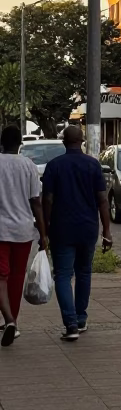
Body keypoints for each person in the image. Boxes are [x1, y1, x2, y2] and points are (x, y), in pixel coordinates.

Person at [42, 125, 112, 341]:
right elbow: (102, 200)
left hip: (61, 229)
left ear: (64, 142)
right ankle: (81, 319)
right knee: (84, 273)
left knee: (62, 275)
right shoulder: (93, 165)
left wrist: (44, 229)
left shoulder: (54, 166)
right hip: (88, 228)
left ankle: (70, 324)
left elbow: (48, 200)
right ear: (82, 141)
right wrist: (107, 231)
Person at [0, 124, 48, 347]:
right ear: (20, 143)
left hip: (1, 231)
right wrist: (43, 233)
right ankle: (13, 321)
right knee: (17, 277)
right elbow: (36, 202)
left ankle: (8, 320)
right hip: (23, 231)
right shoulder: (28, 166)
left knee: (1, 276)